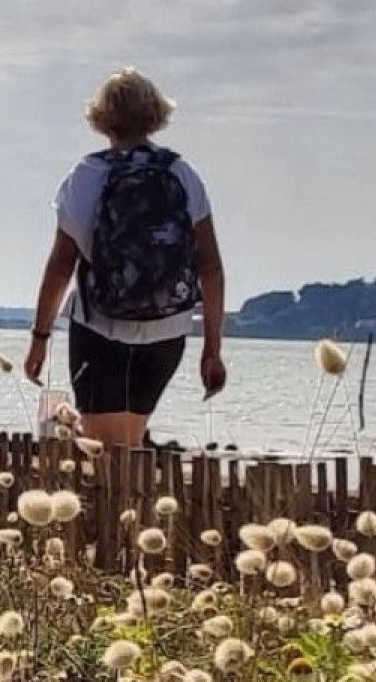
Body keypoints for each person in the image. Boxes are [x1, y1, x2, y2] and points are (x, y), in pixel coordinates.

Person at [25, 68, 226, 448]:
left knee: (107, 454)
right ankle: (135, 506)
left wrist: (40, 337)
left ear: (102, 118)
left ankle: (118, 508)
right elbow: (210, 267)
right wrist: (212, 348)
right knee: (129, 444)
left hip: (100, 327)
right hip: (168, 331)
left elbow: (60, 268)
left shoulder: (87, 176)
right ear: (155, 114)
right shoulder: (182, 174)